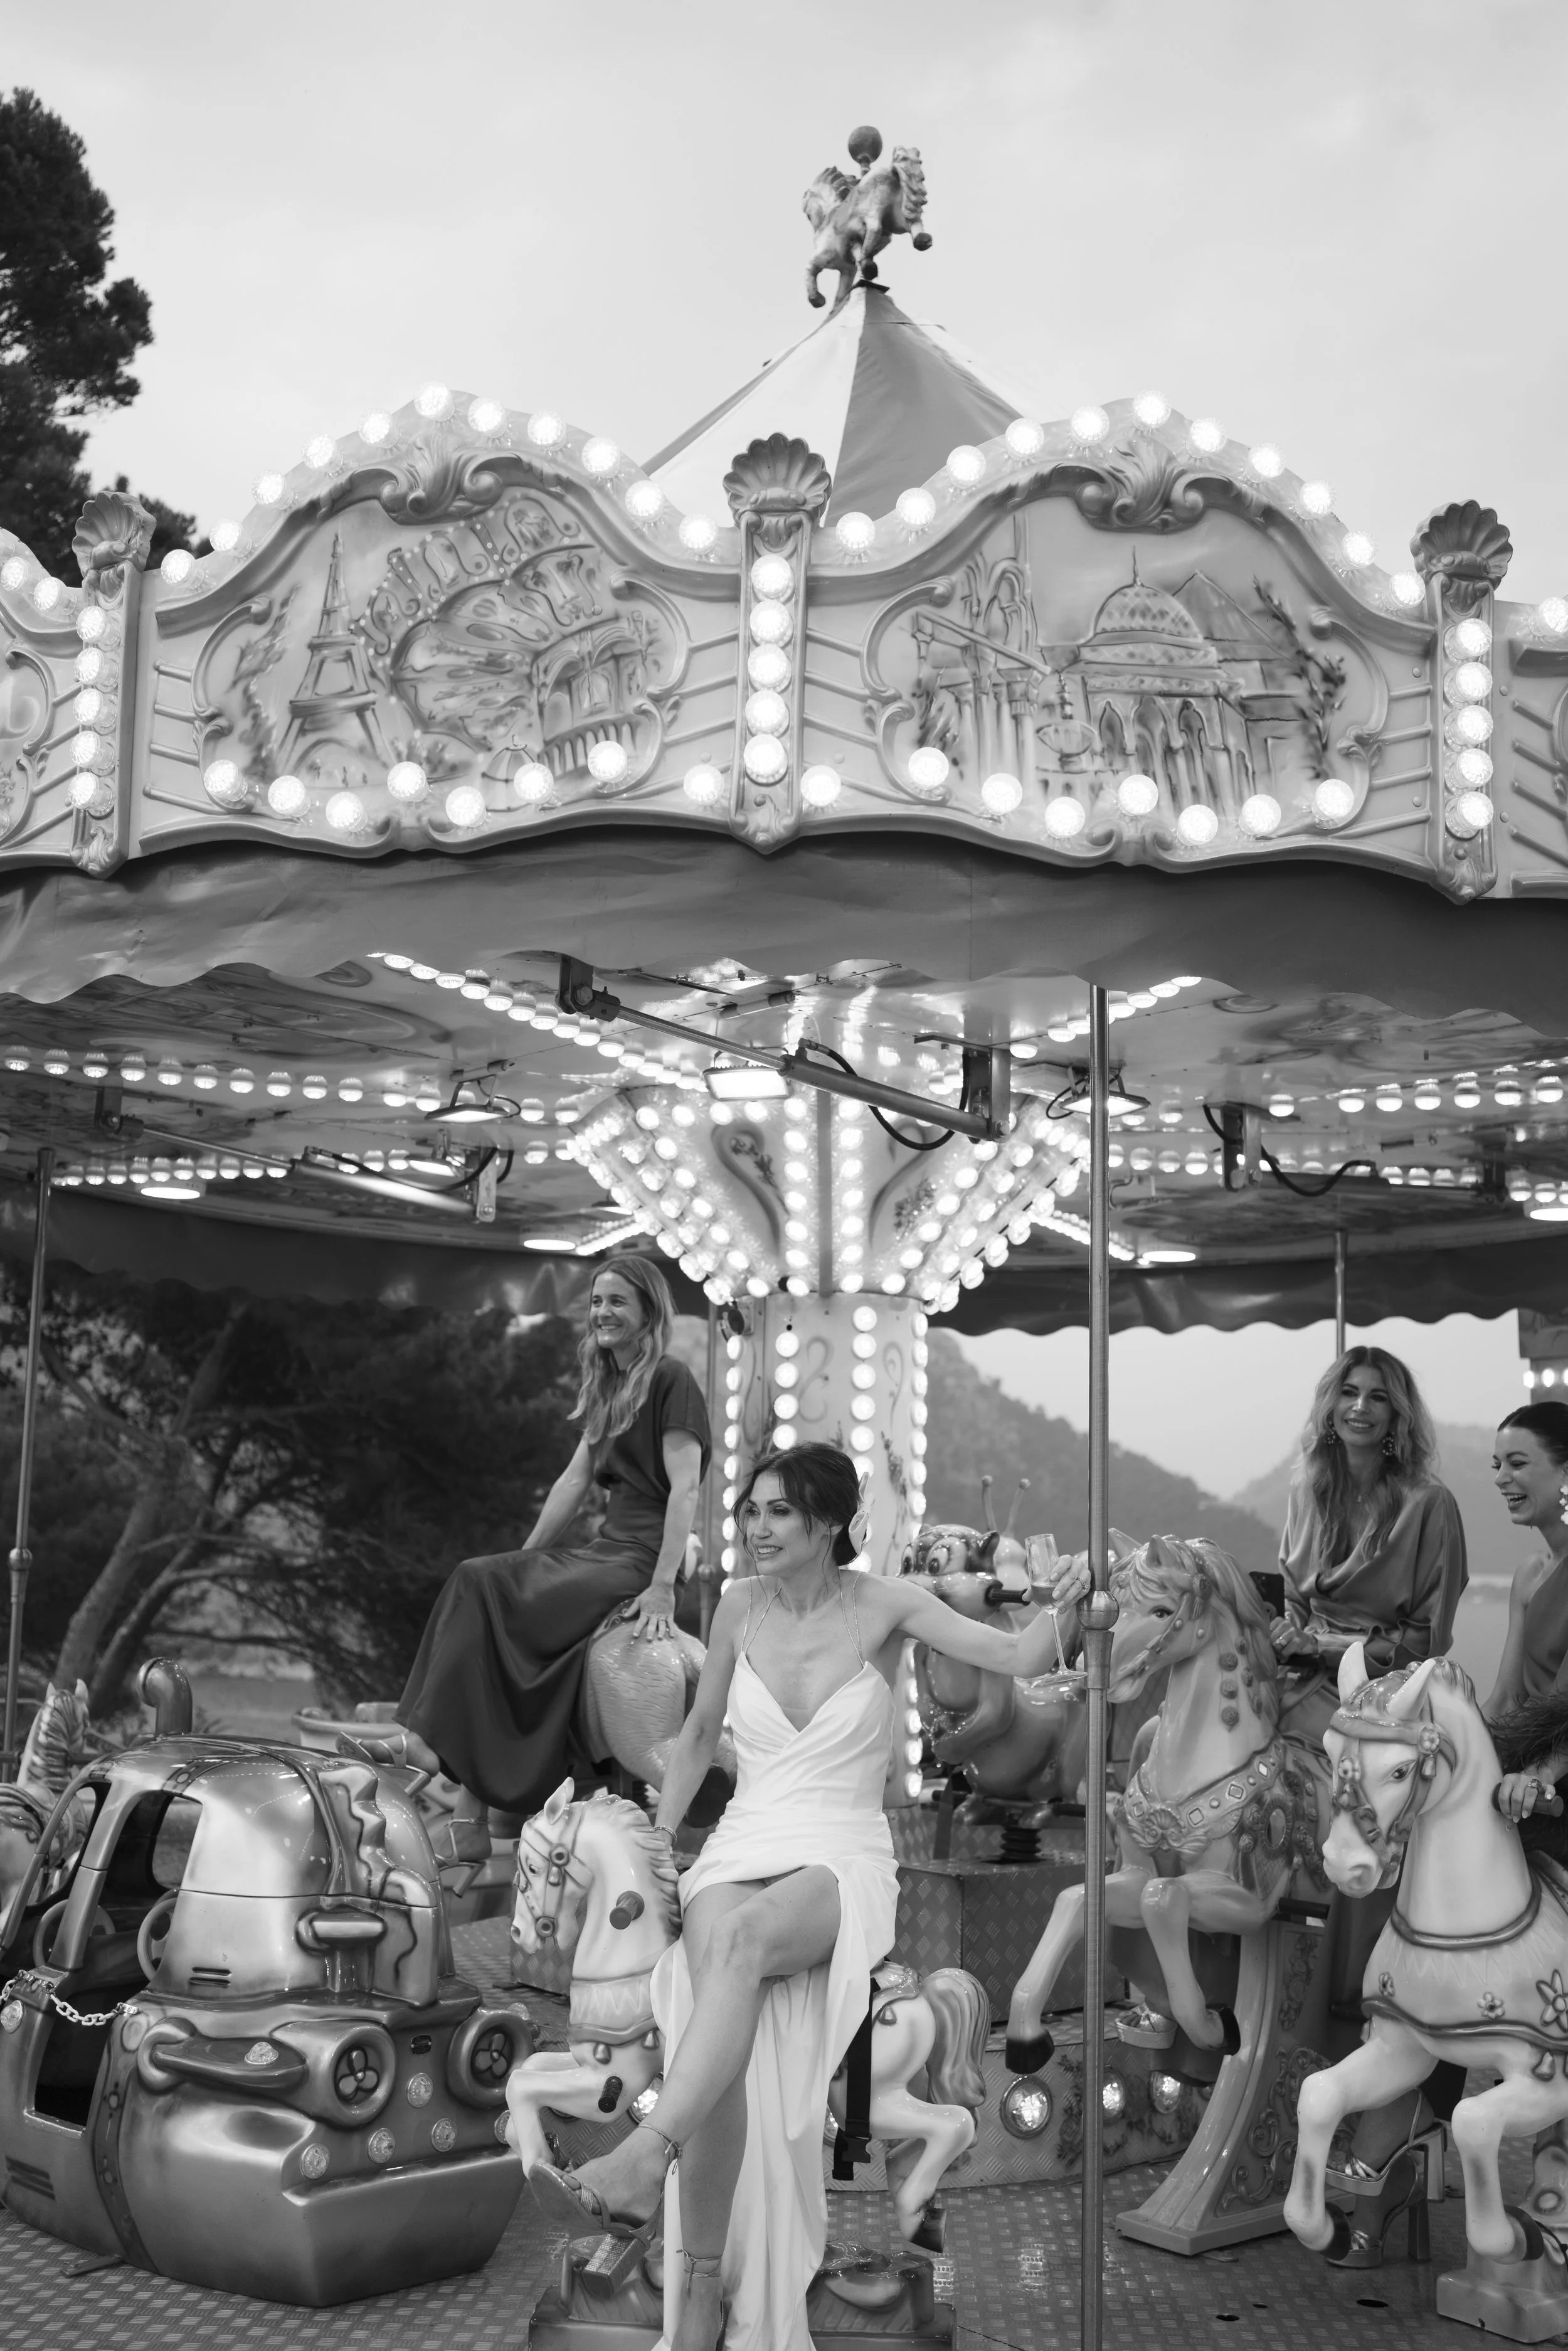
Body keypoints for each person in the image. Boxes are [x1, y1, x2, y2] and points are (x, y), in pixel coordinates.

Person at [526, 1440, 1088, 2351]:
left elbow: (1021, 1650)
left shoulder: (889, 1605)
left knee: (744, 1944)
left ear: (829, 1522)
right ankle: (703, 2289)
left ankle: (644, 2158)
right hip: (746, 1835)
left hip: (840, 1847)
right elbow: (701, 1731)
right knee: (718, 1979)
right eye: (750, 1511)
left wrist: (1069, 1590)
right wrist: (665, 1844)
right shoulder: (740, 1605)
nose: (756, 1527)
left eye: (778, 1511)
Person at [374, 1255, 709, 1857]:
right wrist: (523, 1563)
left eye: (617, 1302)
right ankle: (446, 1762)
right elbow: (573, 1482)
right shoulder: (611, 1382)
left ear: (648, 1312)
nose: (602, 1312)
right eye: (596, 1301)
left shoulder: (670, 1379)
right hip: (606, 1548)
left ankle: (430, 1751)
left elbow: (686, 1489)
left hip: (639, 1557)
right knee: (483, 1579)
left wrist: (663, 1586)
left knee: (479, 1578)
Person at [1268, 1345, 1468, 2265]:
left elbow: (1431, 1633)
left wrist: (1341, 1642)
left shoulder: (1430, 1506)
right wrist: (1286, 1634)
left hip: (1380, 1702)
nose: (1357, 1408)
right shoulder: (1307, 1494)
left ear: (1397, 1418)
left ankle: (1386, 2085)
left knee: (1359, 1834)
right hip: (1304, 1690)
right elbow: (1290, 1607)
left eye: (1375, 1399)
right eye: (1346, 1393)